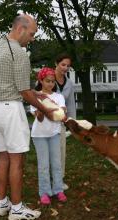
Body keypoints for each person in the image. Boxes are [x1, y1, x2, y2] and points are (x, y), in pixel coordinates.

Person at [0, 14, 54, 220]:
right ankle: (16, 209)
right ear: (21, 29)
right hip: (10, 111)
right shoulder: (19, 53)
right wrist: (46, 109)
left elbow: (10, 82)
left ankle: (2, 204)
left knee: (3, 157)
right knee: (17, 160)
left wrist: (35, 92)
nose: (32, 38)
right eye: (31, 34)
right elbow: (23, 92)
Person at [31, 67, 67, 205]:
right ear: (41, 80)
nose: (51, 84)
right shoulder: (35, 96)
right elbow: (39, 119)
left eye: (53, 81)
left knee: (57, 164)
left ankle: (58, 190)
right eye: (47, 81)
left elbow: (61, 116)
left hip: (54, 134)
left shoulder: (59, 97)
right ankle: (44, 192)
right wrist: (43, 109)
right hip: (39, 135)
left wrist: (59, 113)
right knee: (44, 165)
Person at [54, 53, 76, 190]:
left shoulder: (69, 83)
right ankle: (48, 181)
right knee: (49, 154)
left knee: (61, 152)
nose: (65, 68)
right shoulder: (46, 78)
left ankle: (59, 180)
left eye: (68, 66)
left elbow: (71, 103)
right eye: (63, 64)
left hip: (61, 123)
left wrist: (72, 122)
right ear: (56, 63)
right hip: (46, 122)